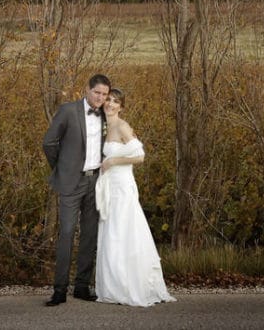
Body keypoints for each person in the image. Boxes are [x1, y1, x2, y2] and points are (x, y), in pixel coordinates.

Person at [94, 88, 176, 306]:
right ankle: (113, 287)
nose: (110, 104)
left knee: (124, 233)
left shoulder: (122, 126)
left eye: (115, 102)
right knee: (111, 234)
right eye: (108, 100)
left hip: (122, 186)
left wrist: (113, 161)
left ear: (122, 106)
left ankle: (131, 286)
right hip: (109, 187)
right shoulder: (103, 125)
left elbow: (139, 156)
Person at [42, 73, 111, 306]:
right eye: (97, 93)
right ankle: (59, 290)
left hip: (96, 182)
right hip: (71, 182)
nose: (100, 98)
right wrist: (62, 168)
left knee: (90, 235)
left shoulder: (106, 114)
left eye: (104, 94)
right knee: (67, 233)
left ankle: (82, 286)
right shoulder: (68, 111)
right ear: (87, 90)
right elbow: (49, 142)